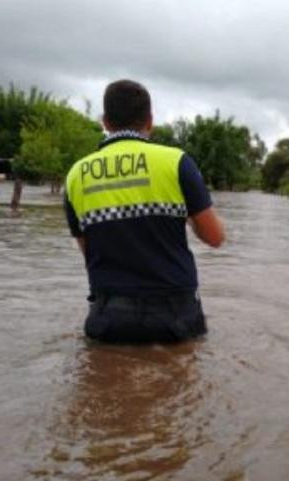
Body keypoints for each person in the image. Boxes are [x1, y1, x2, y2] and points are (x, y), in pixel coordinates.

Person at [64, 79, 224, 344]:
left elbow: (88, 249)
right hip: (175, 316)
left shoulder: (76, 174)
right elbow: (215, 237)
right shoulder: (176, 162)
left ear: (105, 121)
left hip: (109, 317)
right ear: (149, 120)